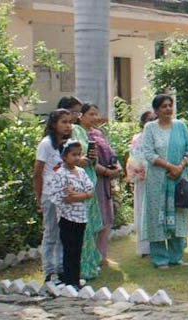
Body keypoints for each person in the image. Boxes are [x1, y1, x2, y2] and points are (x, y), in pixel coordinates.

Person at [138, 94, 188, 268]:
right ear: (157, 110)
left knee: (178, 215)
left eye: (170, 105)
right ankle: (159, 258)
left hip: (178, 179)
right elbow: (149, 153)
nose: (168, 109)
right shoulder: (150, 128)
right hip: (157, 181)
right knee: (157, 217)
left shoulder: (180, 127)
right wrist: (169, 167)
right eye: (164, 106)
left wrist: (180, 167)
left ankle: (176, 256)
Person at [79, 103, 119, 279]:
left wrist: (115, 168)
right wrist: (106, 171)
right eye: (90, 114)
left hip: (105, 182)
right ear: (81, 116)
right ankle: (92, 257)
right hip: (91, 181)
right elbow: (87, 161)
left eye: (96, 114)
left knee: (106, 218)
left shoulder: (98, 133)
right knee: (95, 218)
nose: (94, 117)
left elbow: (111, 153)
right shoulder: (78, 134)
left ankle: (102, 255)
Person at [48, 139, 93, 289]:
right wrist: (76, 196)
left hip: (81, 217)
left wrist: (79, 195)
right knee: (69, 249)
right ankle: (69, 281)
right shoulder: (60, 174)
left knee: (78, 249)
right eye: (73, 154)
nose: (77, 158)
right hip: (67, 217)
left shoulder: (81, 172)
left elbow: (89, 190)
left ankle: (76, 278)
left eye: (79, 154)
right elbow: (62, 197)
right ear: (64, 156)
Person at [35, 109, 73, 283]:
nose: (67, 126)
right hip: (50, 196)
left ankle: (60, 268)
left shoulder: (65, 145)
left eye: (69, 122)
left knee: (62, 234)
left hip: (64, 197)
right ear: (54, 124)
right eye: (63, 122)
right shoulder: (46, 144)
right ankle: (49, 272)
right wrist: (39, 199)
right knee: (50, 233)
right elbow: (37, 173)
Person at [127, 111, 156, 257]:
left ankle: (159, 245)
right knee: (142, 211)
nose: (151, 123)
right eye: (149, 120)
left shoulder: (160, 136)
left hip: (158, 180)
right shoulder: (137, 138)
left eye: (154, 120)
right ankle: (144, 248)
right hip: (142, 180)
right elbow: (133, 159)